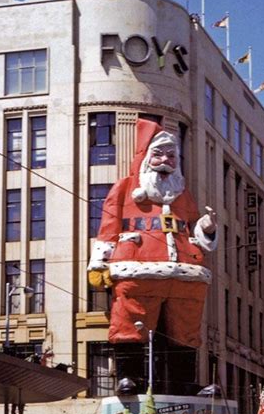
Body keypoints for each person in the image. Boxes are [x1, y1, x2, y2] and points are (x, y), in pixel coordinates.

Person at [88, 119, 218, 349]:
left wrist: (207, 228)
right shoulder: (124, 188)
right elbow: (109, 225)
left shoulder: (183, 194)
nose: (165, 161)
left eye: (171, 156)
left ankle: (182, 385)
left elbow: (192, 228)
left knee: (185, 330)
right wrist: (99, 263)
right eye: (159, 154)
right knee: (130, 324)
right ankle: (131, 380)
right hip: (136, 269)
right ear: (146, 157)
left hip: (186, 274)